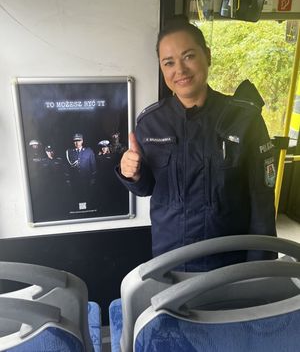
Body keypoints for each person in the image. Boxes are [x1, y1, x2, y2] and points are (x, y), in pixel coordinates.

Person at [117, 16, 277, 271]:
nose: (179, 70)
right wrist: (132, 174)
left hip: (230, 264)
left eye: (188, 56)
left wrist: (259, 271)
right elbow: (147, 188)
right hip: (170, 261)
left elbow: (261, 202)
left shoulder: (244, 119)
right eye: (168, 63)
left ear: (208, 56)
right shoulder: (150, 123)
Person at [66, 133, 97, 209]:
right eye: (75, 141)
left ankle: (87, 210)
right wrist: (68, 179)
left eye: (79, 140)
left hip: (86, 179)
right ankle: (79, 211)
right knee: (76, 194)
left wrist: (93, 178)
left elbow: (93, 166)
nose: (77, 143)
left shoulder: (88, 151)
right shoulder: (70, 152)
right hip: (75, 179)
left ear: (82, 141)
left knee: (87, 194)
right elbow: (67, 167)